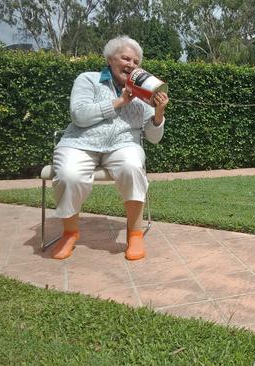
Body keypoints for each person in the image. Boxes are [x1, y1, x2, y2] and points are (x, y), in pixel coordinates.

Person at [50, 35, 169, 261]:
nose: (131, 65)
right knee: (68, 174)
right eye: (126, 58)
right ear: (110, 59)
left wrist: (159, 112)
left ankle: (135, 234)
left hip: (123, 145)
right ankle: (69, 233)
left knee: (132, 165)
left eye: (135, 62)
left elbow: (153, 138)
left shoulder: (143, 95)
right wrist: (120, 102)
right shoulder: (88, 80)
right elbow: (79, 115)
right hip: (80, 143)